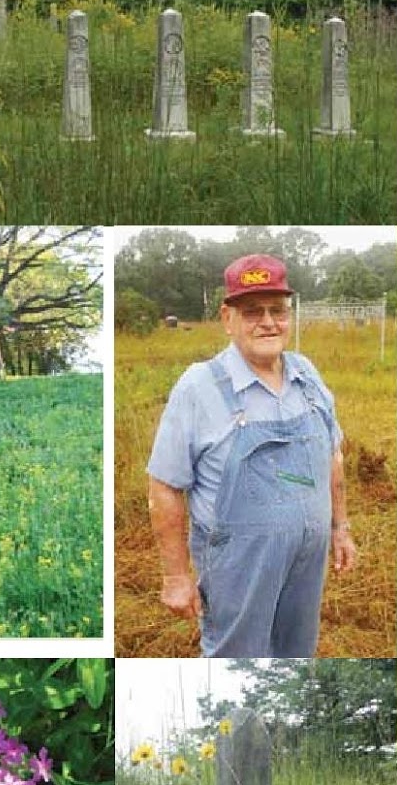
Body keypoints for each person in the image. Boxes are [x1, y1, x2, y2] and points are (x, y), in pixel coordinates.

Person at [146, 254, 357, 656]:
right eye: (252, 312)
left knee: (296, 655)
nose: (268, 322)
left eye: (277, 310)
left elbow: (333, 455)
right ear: (228, 319)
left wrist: (340, 527)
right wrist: (175, 576)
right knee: (236, 659)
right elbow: (165, 485)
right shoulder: (199, 386)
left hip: (307, 562)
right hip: (238, 567)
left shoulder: (307, 375)